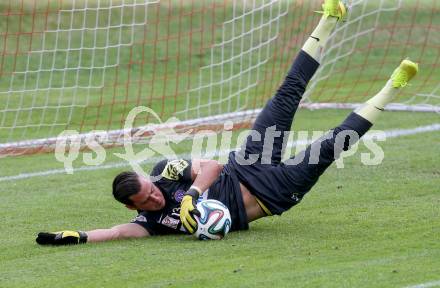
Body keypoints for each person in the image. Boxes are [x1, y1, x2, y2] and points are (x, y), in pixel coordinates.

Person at [36, 0, 418, 245]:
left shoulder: (164, 173)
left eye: (150, 190)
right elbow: (119, 233)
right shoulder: (152, 222)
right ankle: (391, 88)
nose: (154, 196)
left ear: (147, 179)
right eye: (146, 200)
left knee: (285, 95)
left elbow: (211, 166)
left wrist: (191, 195)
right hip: (274, 196)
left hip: (246, 163)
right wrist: (77, 236)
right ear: (134, 206)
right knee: (337, 142)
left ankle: (329, 20)